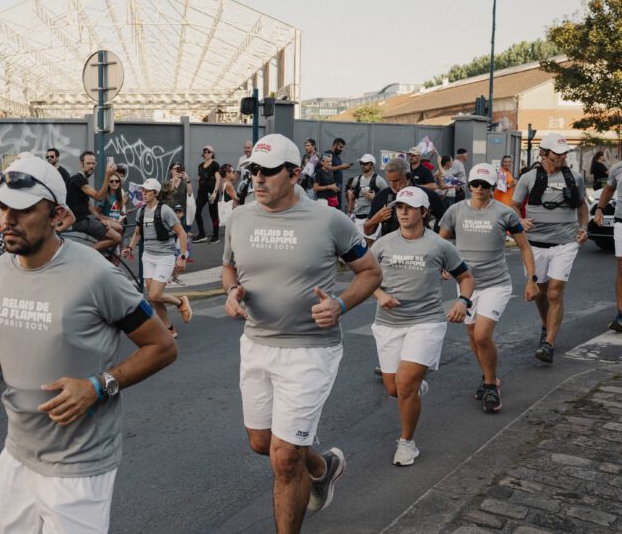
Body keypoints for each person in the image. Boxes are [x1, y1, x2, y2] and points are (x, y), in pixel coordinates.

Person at [0, 155, 177, 533]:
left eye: (22, 209)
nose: (7, 219)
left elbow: (163, 346)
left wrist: (98, 386)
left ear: (56, 215)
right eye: (3, 207)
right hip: (18, 454)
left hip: (79, 465)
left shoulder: (96, 273)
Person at [221, 134, 382, 531]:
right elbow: (228, 266)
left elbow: (371, 272)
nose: (258, 179)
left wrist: (340, 304)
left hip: (311, 350)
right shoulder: (240, 217)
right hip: (257, 345)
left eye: (269, 171)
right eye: (253, 171)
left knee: (283, 457)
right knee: (262, 443)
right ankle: (322, 466)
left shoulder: (329, 220)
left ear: (294, 174)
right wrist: (231, 292)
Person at [370, 187, 474, 466]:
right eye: (399, 207)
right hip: (388, 324)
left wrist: (462, 301)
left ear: (424, 212)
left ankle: (407, 443)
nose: (403, 212)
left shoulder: (439, 246)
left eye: (409, 207)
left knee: (404, 384)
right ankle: (415, 386)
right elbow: (366, 278)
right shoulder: (383, 244)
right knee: (394, 389)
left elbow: (466, 277)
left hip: (426, 322)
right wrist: (380, 295)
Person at [440, 164, 538, 412]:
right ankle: (487, 376)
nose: (479, 189)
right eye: (475, 184)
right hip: (466, 285)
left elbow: (525, 247)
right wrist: (443, 265)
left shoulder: (505, 213)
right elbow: (439, 243)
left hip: (496, 284)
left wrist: (531, 279)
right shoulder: (455, 210)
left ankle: (491, 385)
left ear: (493, 188)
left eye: (485, 185)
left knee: (482, 335)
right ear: (468, 184)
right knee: (473, 336)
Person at [510, 133, 588, 365]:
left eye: (565, 153)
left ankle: (549, 343)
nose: (562, 157)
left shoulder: (574, 177)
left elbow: (582, 205)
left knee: (555, 292)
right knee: (541, 293)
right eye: (557, 153)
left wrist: (583, 227)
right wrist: (520, 221)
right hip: (535, 244)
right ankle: (547, 326)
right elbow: (513, 206)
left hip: (565, 242)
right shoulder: (529, 178)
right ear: (544, 153)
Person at [122, 179, 191, 337]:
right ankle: (169, 329)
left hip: (164, 257)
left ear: (156, 193)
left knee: (154, 294)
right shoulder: (141, 211)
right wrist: (129, 248)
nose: (144, 193)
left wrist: (182, 257)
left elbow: (182, 234)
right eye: (143, 190)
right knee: (154, 299)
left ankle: (181, 302)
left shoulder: (165, 210)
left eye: (147, 191)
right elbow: (138, 233)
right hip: (148, 257)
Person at [364, 158, 447, 242]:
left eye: (396, 180)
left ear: (408, 176)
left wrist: (436, 244)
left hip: (421, 249)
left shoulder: (427, 195)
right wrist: (376, 218)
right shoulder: (381, 197)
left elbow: (447, 225)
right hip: (391, 250)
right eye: (390, 181)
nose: (393, 185)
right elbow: (367, 231)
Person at [65, 151, 120, 253]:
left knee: (119, 227)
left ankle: (107, 254)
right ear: (82, 164)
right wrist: (107, 176)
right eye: (88, 163)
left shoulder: (83, 180)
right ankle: (88, 255)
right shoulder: (78, 179)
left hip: (87, 218)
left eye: (93, 163)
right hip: (80, 221)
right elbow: (98, 197)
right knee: (117, 238)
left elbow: (90, 207)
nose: (91, 166)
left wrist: (102, 219)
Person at [593, 158, 622, 332]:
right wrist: (599, 208)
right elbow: (609, 189)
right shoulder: (617, 168)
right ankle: (621, 313)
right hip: (621, 221)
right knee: (621, 264)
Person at [345, 155, 387, 237]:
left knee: (369, 243)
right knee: (359, 244)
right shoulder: (356, 180)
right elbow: (352, 197)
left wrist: (375, 198)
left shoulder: (379, 180)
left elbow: (387, 198)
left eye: (365, 163)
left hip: (371, 217)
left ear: (372, 165)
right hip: (358, 217)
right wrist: (349, 211)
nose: (362, 165)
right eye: (361, 163)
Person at [192, 145, 222, 243]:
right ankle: (202, 234)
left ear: (212, 153)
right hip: (202, 192)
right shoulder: (200, 166)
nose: (206, 154)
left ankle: (216, 235)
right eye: (205, 152)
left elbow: (218, 179)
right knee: (196, 211)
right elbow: (201, 178)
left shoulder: (215, 164)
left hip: (212, 192)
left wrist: (215, 192)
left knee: (213, 214)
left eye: (208, 152)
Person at [324, 138, 352, 210]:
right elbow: (326, 168)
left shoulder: (337, 156)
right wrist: (341, 167)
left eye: (343, 147)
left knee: (338, 208)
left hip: (338, 187)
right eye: (340, 147)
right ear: (334, 145)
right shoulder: (327, 154)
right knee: (331, 209)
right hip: (330, 188)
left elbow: (335, 168)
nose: (342, 149)